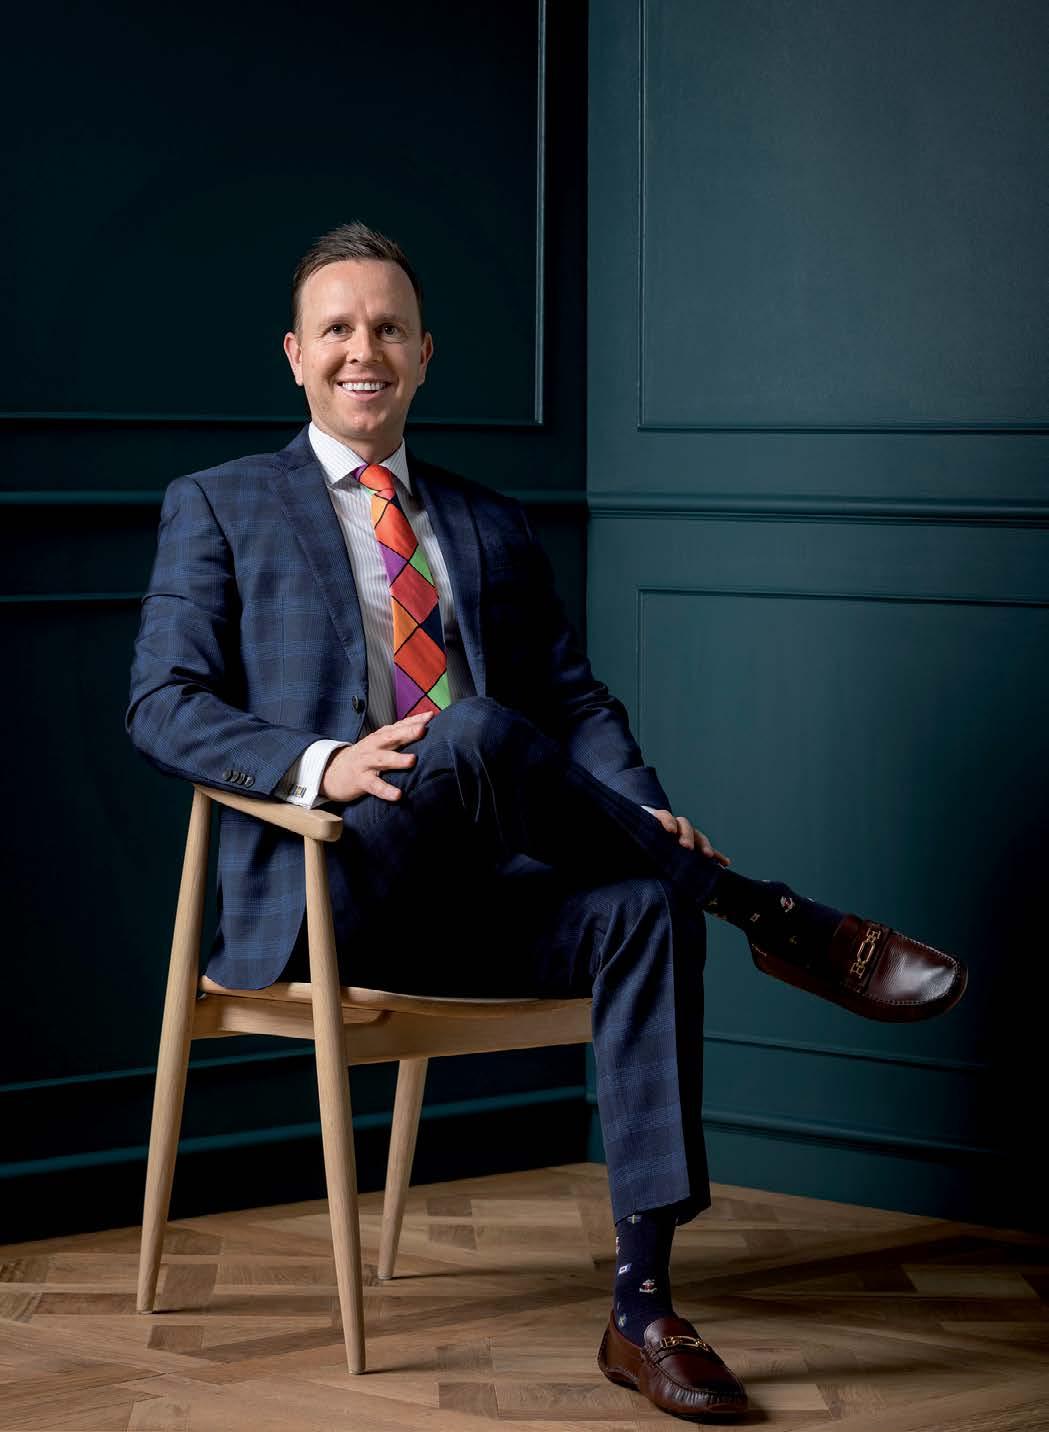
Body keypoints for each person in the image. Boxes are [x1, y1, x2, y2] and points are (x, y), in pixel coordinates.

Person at [127, 221, 967, 1421]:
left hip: (482, 892)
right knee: (471, 727)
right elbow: (160, 704)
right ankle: (769, 914)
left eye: (387, 328)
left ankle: (643, 1308)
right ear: (295, 354)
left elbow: (571, 702)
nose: (363, 350)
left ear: (424, 353)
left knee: (641, 906)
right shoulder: (219, 504)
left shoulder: (487, 519)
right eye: (336, 329)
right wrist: (320, 764)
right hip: (330, 892)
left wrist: (646, 810)